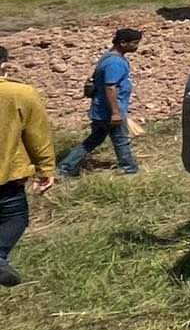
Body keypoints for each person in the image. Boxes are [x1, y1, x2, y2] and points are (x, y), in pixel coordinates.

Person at [0, 47, 59, 287]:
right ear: (4, 65)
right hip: (7, 176)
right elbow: (37, 136)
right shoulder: (20, 94)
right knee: (15, 217)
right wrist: (45, 168)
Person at [58, 27, 144, 177]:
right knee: (121, 139)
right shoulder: (115, 63)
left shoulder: (109, 57)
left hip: (102, 109)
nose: (137, 46)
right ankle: (129, 168)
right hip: (109, 111)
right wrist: (116, 113)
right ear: (123, 43)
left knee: (94, 139)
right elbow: (110, 88)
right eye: (134, 43)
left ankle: (65, 167)